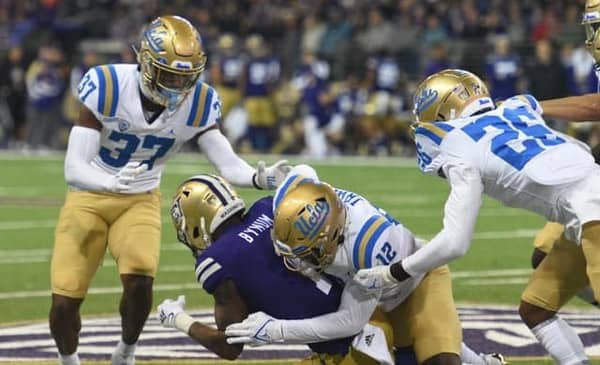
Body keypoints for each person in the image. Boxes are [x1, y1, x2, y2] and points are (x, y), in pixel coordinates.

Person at [48, 15, 290, 365]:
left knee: (140, 280)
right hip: (89, 196)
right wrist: (108, 182)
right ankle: (68, 360)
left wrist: (258, 178)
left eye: (185, 76)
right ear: (145, 61)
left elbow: (227, 162)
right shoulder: (108, 85)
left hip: (140, 199)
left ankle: (125, 353)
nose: (178, 85)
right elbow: (74, 168)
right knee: (64, 301)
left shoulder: (200, 101)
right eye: (170, 74)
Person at [352, 68, 599, 364]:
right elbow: (580, 149)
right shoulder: (514, 108)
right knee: (536, 307)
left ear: (441, 112)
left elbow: (455, 242)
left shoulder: (457, 148)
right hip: (583, 215)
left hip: (592, 216)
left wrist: (395, 271)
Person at [224, 166, 506, 365]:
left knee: (440, 360)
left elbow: (350, 321)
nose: (300, 261)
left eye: (308, 252)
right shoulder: (297, 197)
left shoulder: (366, 249)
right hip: (381, 298)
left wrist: (278, 331)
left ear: (332, 238)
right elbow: (303, 170)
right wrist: (270, 178)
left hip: (419, 282)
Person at [156, 173, 397, 365]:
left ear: (196, 222)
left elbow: (229, 346)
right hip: (380, 316)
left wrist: (178, 319)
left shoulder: (216, 260)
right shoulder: (268, 206)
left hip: (348, 352)